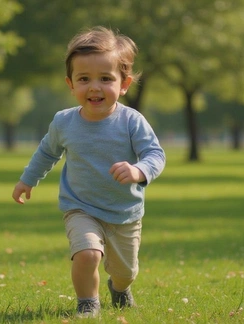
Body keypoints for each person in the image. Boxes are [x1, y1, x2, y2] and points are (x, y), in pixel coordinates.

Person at [12, 26, 166, 318]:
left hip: (124, 212)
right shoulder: (64, 122)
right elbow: (47, 152)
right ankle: (87, 303)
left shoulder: (132, 121)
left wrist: (138, 170)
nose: (94, 87)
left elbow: (155, 154)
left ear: (124, 84)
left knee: (126, 272)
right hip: (80, 207)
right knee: (87, 253)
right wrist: (26, 180)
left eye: (105, 79)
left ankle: (119, 289)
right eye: (84, 79)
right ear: (70, 84)